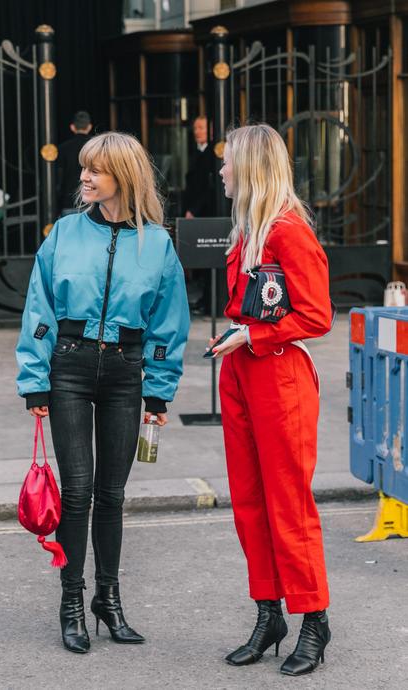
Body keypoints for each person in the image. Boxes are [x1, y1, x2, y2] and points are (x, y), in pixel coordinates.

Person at [16, 131, 190, 654]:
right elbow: (39, 309)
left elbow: (168, 323)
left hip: (125, 374)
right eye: (84, 168)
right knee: (77, 492)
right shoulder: (64, 234)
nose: (85, 177)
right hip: (67, 369)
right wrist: (35, 381)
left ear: (124, 177)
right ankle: (72, 601)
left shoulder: (157, 243)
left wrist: (158, 394)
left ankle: (107, 600)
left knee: (112, 495)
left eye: (96, 170)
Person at [209, 124, 332, 676]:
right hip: (241, 372)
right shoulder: (248, 231)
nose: (220, 171)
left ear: (251, 167)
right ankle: (269, 611)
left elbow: (316, 316)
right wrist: (238, 338)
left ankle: (314, 619)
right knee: (249, 501)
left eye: (227, 161)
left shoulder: (288, 231)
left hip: (279, 375)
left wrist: (252, 336)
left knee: (288, 503)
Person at [183, 116, 215, 314]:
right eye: (195, 127)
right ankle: (204, 299)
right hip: (196, 210)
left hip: (205, 213)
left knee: (207, 257)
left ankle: (208, 300)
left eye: (201, 127)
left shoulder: (212, 154)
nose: (197, 131)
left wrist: (193, 210)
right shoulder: (195, 151)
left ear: (210, 131)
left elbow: (208, 189)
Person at [57, 110, 93, 215]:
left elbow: (58, 179)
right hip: (92, 203)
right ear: (89, 127)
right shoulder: (96, 147)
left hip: (68, 202)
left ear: (72, 127)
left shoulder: (62, 148)